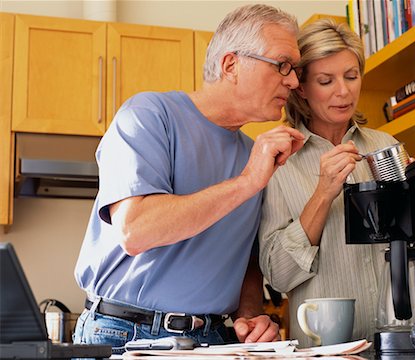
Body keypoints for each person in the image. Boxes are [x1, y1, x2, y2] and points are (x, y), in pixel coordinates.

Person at [73, 4, 305, 354]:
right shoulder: (149, 116)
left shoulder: (256, 156)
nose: (293, 81)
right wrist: (246, 182)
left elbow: (246, 256)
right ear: (231, 65)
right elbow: (136, 230)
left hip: (213, 340)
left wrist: (249, 313)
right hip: (124, 335)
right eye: (283, 65)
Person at [258, 18, 401, 348]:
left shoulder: (386, 147)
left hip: (396, 346)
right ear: (302, 88)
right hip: (322, 351)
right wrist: (323, 193)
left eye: (352, 76)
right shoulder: (278, 163)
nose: (344, 90)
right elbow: (278, 275)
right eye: (326, 80)